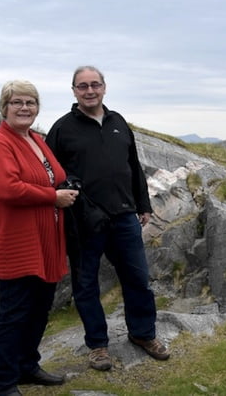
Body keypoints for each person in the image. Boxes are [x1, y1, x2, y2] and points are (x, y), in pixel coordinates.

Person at [46, 65, 169, 371]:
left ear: (104, 87)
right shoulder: (62, 129)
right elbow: (49, 173)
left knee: (138, 279)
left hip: (125, 217)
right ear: (73, 91)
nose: (90, 91)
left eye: (95, 85)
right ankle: (98, 346)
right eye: (82, 86)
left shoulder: (118, 122)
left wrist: (144, 204)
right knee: (86, 285)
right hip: (84, 222)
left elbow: (133, 166)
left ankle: (142, 335)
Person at [0, 80, 79, 396]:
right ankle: (4, 383)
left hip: (46, 238)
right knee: (14, 313)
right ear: (4, 107)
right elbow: (8, 189)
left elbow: (57, 175)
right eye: (17, 102)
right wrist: (53, 197)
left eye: (31, 103)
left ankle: (27, 366)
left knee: (39, 307)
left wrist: (67, 187)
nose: (25, 108)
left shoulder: (35, 139)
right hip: (18, 241)